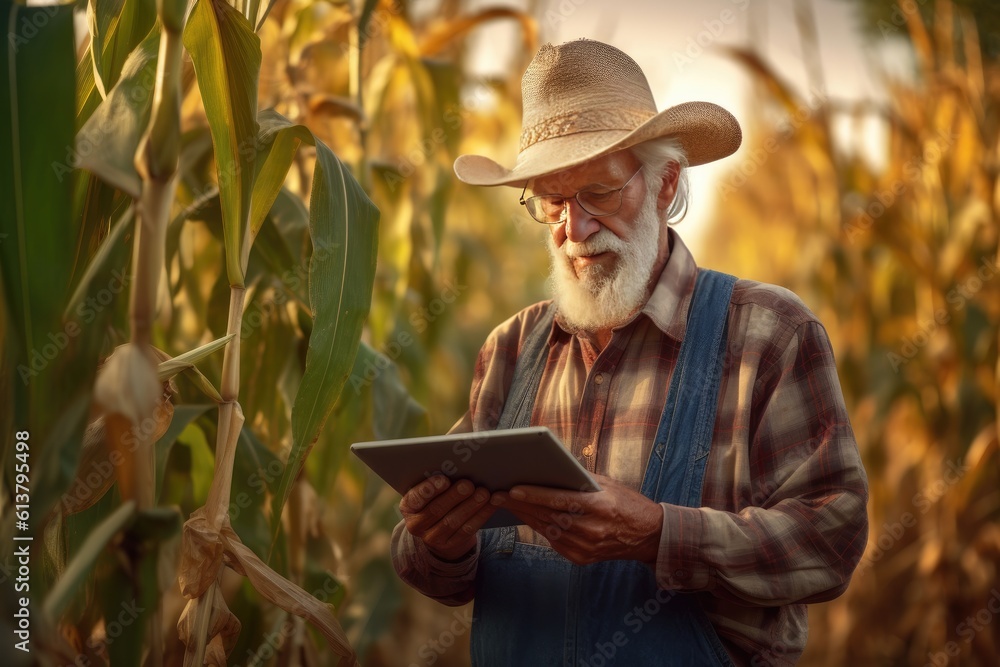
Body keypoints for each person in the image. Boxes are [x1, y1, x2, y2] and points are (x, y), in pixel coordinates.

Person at [390, 38, 868, 667]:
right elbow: (437, 572)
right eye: (553, 202)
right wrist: (440, 542)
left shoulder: (767, 336)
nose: (575, 229)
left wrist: (659, 535)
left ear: (665, 183)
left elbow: (833, 539)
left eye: (599, 192)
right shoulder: (510, 349)